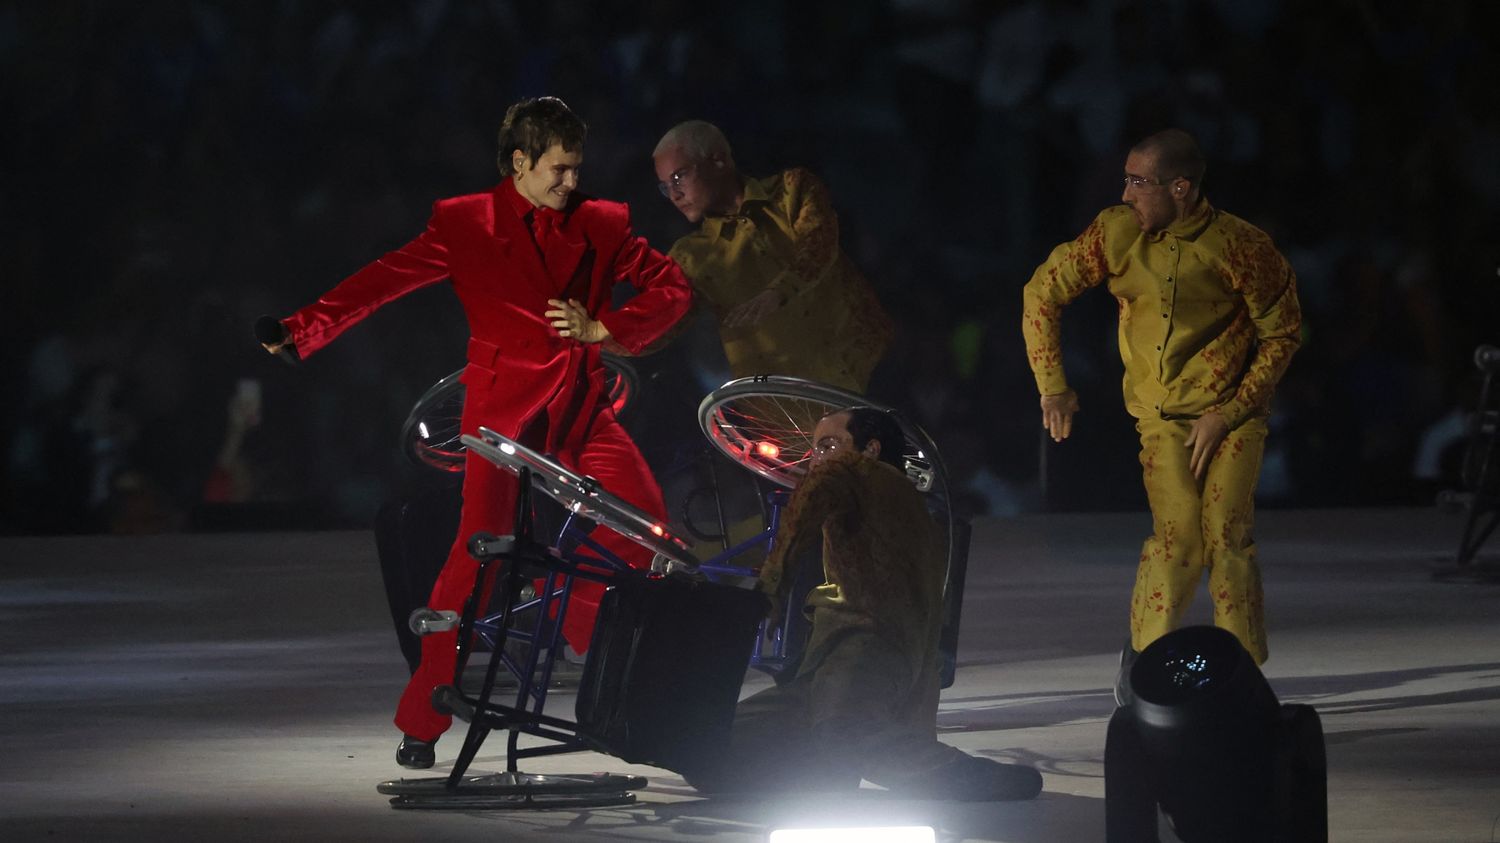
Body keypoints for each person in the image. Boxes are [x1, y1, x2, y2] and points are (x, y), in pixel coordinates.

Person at [260, 97, 693, 768]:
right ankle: (424, 714)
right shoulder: (466, 222)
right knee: (477, 553)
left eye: (577, 169)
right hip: (501, 414)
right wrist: (302, 329)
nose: (572, 183)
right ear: (519, 163)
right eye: (559, 169)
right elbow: (386, 279)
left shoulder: (602, 224)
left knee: (649, 528)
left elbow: (673, 287)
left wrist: (611, 327)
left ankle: (574, 625)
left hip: (580, 407)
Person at [1020, 129, 1301, 702]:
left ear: (1181, 188)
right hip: (1162, 414)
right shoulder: (1116, 235)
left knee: (1228, 535)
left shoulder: (1241, 246)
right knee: (1179, 538)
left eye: (1138, 183)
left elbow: (1283, 331)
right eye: (1125, 179)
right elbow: (1041, 294)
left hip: (1232, 411)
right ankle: (1145, 656)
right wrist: (1053, 387)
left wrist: (1231, 411)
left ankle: (1241, 674)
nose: (1126, 194)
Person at [678, 407, 1043, 801]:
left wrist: (772, 584)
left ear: (870, 449)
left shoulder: (858, 472)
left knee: (844, 730)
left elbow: (820, 483)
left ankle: (984, 778)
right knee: (711, 747)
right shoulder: (905, 503)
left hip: (866, 642)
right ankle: (827, 774)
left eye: (828, 445)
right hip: (844, 653)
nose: (816, 459)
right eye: (815, 449)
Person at [652, 120, 892, 393]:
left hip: (869, 365)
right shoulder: (690, 257)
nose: (674, 194)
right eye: (664, 187)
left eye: (678, 177)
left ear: (718, 160)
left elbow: (818, 246)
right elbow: (656, 321)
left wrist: (778, 292)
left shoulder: (793, 189)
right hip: (793, 408)